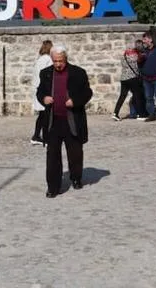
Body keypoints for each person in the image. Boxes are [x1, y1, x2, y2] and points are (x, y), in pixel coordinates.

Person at [37, 44, 93, 198]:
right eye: (55, 61)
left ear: (66, 59)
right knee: (52, 155)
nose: (58, 64)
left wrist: (75, 101)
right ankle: (53, 187)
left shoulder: (78, 73)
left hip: (72, 119)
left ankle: (76, 178)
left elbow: (88, 92)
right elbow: (40, 91)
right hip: (53, 121)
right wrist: (44, 98)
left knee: (75, 153)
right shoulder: (46, 73)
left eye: (60, 61)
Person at [113, 39, 145, 121]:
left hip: (123, 78)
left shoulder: (123, 56)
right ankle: (140, 114)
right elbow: (140, 61)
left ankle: (115, 113)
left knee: (122, 96)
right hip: (132, 78)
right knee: (137, 95)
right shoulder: (135, 56)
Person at [31, 40, 53, 144]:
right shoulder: (48, 60)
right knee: (45, 114)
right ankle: (45, 137)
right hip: (44, 90)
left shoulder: (39, 59)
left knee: (42, 114)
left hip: (36, 88)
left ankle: (36, 136)